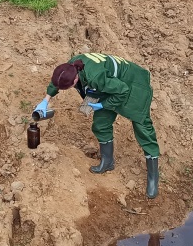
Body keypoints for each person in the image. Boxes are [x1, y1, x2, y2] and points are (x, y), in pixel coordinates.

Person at [34, 52, 161, 199]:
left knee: (142, 127)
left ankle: (153, 177)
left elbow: (123, 91)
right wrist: (45, 100)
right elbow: (57, 82)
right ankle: (107, 162)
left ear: (75, 79)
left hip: (133, 85)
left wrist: (102, 104)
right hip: (110, 85)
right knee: (100, 124)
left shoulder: (95, 77)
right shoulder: (69, 67)